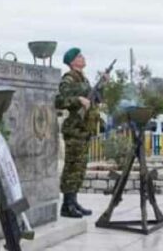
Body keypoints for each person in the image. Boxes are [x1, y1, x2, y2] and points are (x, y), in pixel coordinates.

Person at [54, 47, 103, 218]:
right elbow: (59, 101)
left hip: (84, 130)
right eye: (80, 56)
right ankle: (67, 205)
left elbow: (95, 99)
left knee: (80, 168)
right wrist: (78, 100)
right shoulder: (68, 79)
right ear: (73, 61)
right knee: (72, 167)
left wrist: (102, 84)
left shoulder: (84, 79)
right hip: (74, 130)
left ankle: (73, 201)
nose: (83, 58)